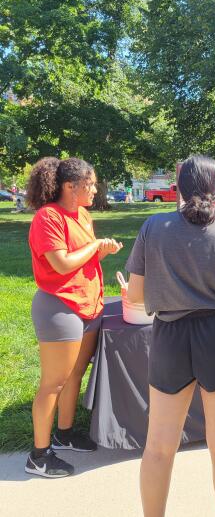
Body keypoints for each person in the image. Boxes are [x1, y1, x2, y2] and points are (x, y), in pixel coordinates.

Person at [125, 155, 215, 517]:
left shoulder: (153, 227)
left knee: (159, 446)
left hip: (170, 336)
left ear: (179, 188)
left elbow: (135, 294)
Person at [25, 156, 123, 478]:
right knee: (53, 382)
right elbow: (62, 264)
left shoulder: (82, 214)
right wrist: (95, 246)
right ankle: (39, 456)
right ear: (70, 186)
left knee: (75, 373)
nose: (95, 189)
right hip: (60, 308)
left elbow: (83, 259)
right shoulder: (47, 217)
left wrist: (99, 250)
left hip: (88, 307)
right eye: (90, 184)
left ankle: (63, 434)